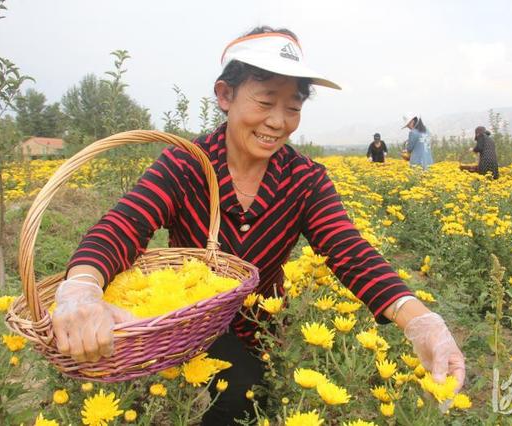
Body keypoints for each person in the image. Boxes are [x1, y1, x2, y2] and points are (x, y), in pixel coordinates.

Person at [52, 26, 465, 425]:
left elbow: (350, 252)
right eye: (266, 102)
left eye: (293, 108)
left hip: (258, 333)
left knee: (246, 397)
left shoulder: (305, 181)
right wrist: (82, 287)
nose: (278, 122)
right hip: (181, 332)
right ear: (225, 95)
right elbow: (124, 224)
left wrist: (421, 321)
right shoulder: (186, 165)